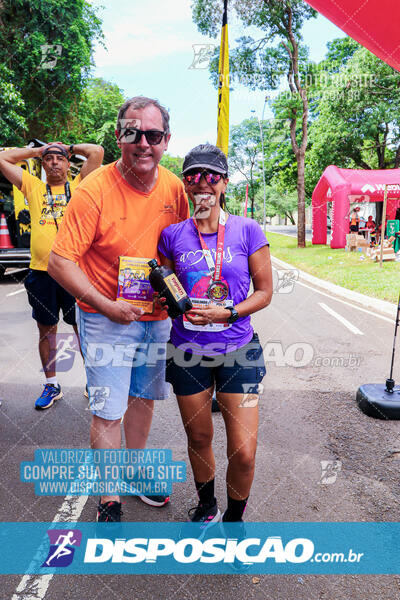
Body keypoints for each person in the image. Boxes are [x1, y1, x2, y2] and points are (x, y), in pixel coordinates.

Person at [47, 96, 189, 522]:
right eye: (132, 133)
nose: (143, 143)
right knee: (109, 407)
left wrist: (178, 293)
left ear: (166, 140)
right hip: (105, 317)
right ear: (118, 136)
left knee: (144, 397)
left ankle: (134, 469)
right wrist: (106, 305)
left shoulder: (174, 189)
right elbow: (59, 261)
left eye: (153, 135)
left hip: (156, 320)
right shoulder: (93, 191)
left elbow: (182, 250)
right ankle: (109, 497)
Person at [158, 144, 273, 527]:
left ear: (224, 183)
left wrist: (228, 312)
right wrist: (167, 297)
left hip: (238, 350)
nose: (202, 184)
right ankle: (206, 505)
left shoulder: (247, 230)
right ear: (186, 186)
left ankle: (234, 521)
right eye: (193, 176)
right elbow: (166, 287)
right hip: (187, 351)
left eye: (212, 176)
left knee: (243, 452)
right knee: (200, 439)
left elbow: (264, 292)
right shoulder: (172, 234)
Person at [0, 142, 104, 409]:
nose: (55, 162)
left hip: (75, 272)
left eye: (60, 158)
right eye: (50, 159)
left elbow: (97, 152)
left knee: (84, 331)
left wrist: (68, 146)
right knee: (47, 331)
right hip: (41, 273)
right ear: (44, 165)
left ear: (69, 164)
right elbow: (3, 159)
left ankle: (92, 383)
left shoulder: (81, 184)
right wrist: (37, 151)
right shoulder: (34, 187)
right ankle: (52, 384)